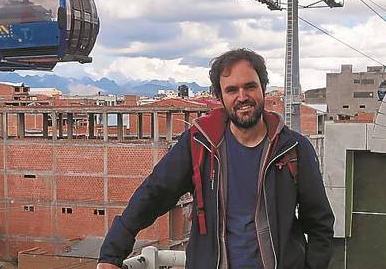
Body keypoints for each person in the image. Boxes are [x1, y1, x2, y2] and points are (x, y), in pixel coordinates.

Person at [97, 48, 334, 269]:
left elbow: (319, 223)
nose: (242, 97)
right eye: (232, 90)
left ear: (263, 88)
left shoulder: (293, 148)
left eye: (250, 86)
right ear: (220, 97)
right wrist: (111, 253)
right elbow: (154, 193)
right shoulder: (199, 144)